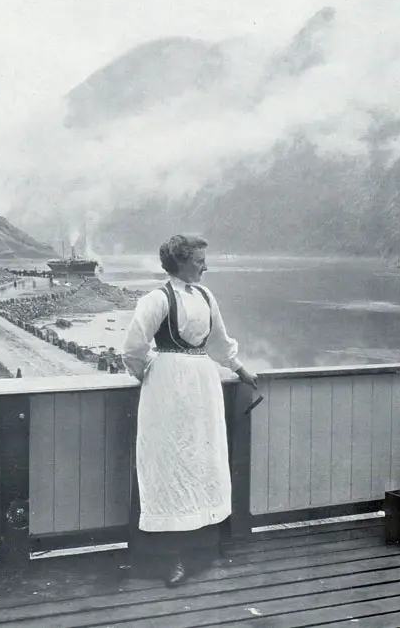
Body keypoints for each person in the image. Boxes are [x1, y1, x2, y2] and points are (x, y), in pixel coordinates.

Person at [123, 234, 257, 587]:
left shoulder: (205, 296)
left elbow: (219, 343)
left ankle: (202, 548)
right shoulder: (156, 299)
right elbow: (133, 348)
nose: (205, 266)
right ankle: (168, 558)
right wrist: (148, 376)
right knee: (169, 461)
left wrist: (240, 369)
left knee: (201, 457)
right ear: (180, 261)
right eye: (199, 260)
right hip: (167, 387)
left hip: (203, 385)